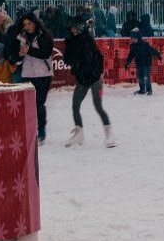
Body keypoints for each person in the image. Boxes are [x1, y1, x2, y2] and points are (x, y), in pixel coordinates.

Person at [62, 16, 113, 148]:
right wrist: (70, 49)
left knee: (98, 106)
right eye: (72, 28)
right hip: (83, 79)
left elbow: (98, 57)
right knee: (75, 104)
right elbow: (67, 60)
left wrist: (98, 73)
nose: (74, 30)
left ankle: (109, 134)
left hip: (95, 79)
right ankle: (79, 133)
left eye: (76, 27)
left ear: (80, 27)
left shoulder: (88, 39)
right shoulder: (70, 42)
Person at [15, 12, 55, 144]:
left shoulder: (44, 36)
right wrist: (20, 55)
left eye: (29, 23)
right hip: (28, 73)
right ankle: (31, 129)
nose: (27, 26)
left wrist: (28, 51)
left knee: (39, 103)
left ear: (35, 22)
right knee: (30, 103)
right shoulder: (22, 36)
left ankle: (41, 129)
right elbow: (20, 56)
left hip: (43, 74)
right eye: (25, 24)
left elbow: (45, 53)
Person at [125, 27, 161, 96]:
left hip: (146, 63)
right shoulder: (132, 46)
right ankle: (142, 89)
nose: (131, 39)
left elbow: (152, 50)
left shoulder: (144, 44)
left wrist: (158, 55)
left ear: (136, 37)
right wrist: (127, 63)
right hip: (139, 64)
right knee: (140, 77)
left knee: (146, 77)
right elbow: (130, 55)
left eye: (132, 37)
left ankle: (149, 90)